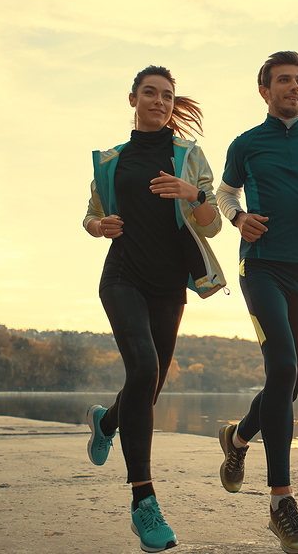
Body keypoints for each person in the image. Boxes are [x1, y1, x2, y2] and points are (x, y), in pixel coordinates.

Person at [82, 65, 225, 552]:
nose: (160, 101)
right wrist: (100, 228)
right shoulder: (111, 159)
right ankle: (144, 502)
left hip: (169, 284)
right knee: (142, 367)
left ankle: (106, 422)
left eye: (167, 95)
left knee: (151, 384)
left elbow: (211, 225)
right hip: (122, 276)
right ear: (133, 99)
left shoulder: (188, 157)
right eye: (151, 93)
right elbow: (92, 215)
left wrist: (195, 193)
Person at [215, 51, 298, 554]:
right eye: (284, 81)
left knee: (288, 381)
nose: (294, 87)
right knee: (283, 367)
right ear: (264, 90)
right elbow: (226, 195)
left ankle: (239, 439)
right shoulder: (247, 143)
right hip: (262, 265)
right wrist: (238, 217)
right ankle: (281, 504)